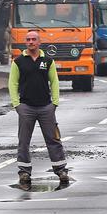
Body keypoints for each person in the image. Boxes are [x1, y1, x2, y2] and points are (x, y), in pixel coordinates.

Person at [8, 30, 69, 187]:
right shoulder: (18, 61)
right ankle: (24, 172)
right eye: (28, 39)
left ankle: (61, 169)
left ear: (39, 42)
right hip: (26, 107)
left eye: (34, 39)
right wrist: (17, 105)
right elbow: (12, 84)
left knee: (54, 140)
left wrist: (54, 103)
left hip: (46, 107)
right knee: (23, 141)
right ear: (25, 42)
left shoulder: (48, 61)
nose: (30, 42)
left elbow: (54, 82)